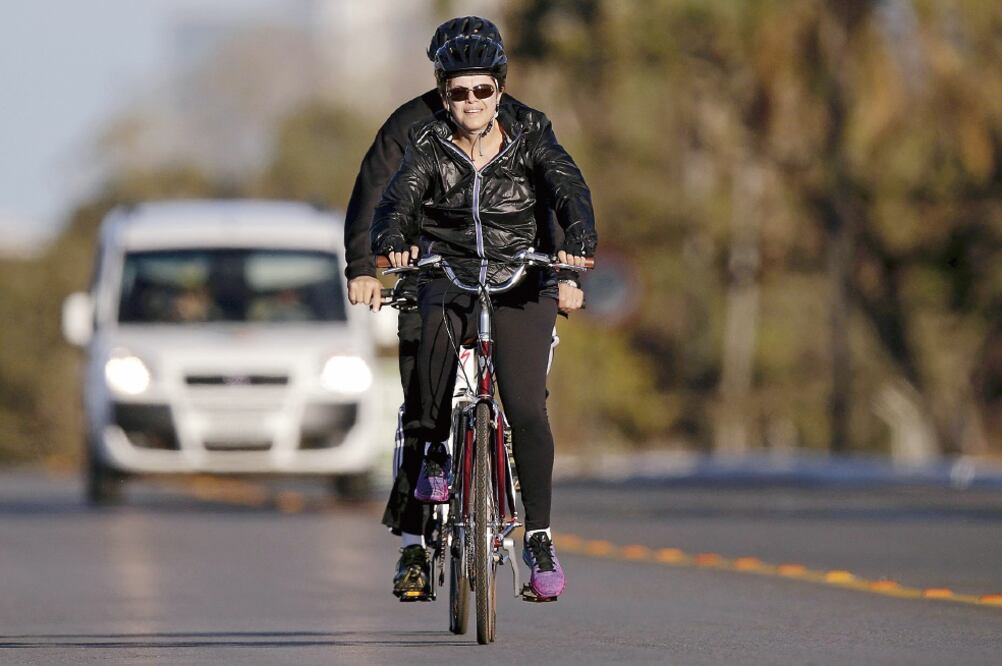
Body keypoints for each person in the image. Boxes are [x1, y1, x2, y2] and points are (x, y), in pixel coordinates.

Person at [343, 16, 584, 600]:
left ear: (499, 84)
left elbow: (556, 196)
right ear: (439, 82)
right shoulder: (410, 127)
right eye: (457, 87)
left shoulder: (527, 126)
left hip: (513, 276)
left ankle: (537, 535)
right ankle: (414, 548)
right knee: (422, 403)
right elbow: (376, 194)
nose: (470, 98)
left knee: (524, 402)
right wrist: (365, 267)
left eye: (482, 87)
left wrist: (569, 265)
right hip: (433, 271)